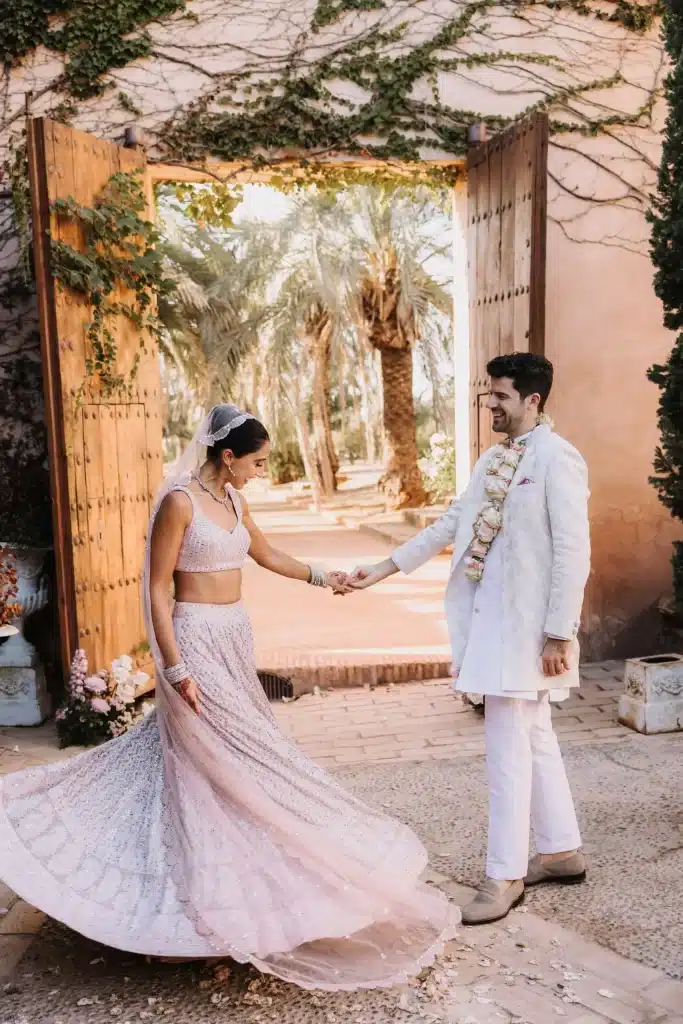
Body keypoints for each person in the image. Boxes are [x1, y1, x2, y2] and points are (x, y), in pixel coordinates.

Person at [0, 404, 458, 989]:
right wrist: (174, 666)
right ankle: (184, 917)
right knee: (212, 759)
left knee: (238, 753)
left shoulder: (236, 502)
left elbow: (265, 556)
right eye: (258, 462)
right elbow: (157, 589)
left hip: (234, 635)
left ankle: (253, 881)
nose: (262, 472)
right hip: (193, 638)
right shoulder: (180, 503)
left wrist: (326, 577)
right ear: (227, 455)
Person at [349, 354, 590, 925]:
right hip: (492, 624)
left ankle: (504, 875)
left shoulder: (558, 458)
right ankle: (561, 851)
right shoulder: (492, 460)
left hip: (532, 634)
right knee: (532, 738)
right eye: (490, 395)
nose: (491, 405)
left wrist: (560, 633)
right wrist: (383, 568)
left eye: (501, 396)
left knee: (507, 746)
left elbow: (573, 552)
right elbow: (454, 520)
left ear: (533, 400)